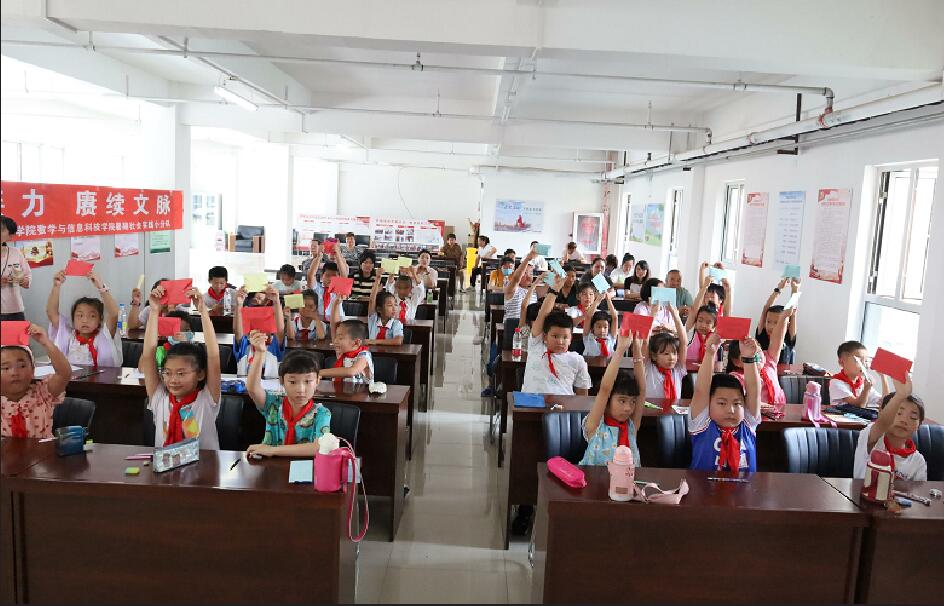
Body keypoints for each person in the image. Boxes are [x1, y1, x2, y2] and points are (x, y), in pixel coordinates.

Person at [140, 283, 222, 449]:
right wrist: (154, 310)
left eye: (181, 373)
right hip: (165, 465)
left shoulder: (206, 399)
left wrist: (203, 311)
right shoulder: (160, 398)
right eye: (168, 373)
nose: (173, 380)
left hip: (204, 465)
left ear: (200, 374)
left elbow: (213, 356)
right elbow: (148, 355)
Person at [244, 338, 331, 457]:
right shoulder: (273, 404)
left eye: (307, 381)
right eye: (292, 382)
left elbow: (319, 447)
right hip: (270, 465)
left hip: (304, 466)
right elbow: (252, 388)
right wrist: (259, 352)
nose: (301, 389)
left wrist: (273, 450)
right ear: (281, 380)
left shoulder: (322, 413)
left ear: (317, 381)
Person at [688, 333, 762, 473]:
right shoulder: (701, 423)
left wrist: (748, 358)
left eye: (737, 404)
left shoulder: (748, 424)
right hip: (704, 486)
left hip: (745, 487)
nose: (731, 410)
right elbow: (701, 390)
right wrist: (710, 353)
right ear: (709, 403)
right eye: (722, 403)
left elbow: (754, 390)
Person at [579, 335, 646, 465]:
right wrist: (620, 350)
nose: (628, 408)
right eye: (622, 401)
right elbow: (605, 390)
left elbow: (642, 391)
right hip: (596, 478)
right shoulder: (596, 426)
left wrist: (637, 348)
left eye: (632, 402)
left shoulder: (631, 425)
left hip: (628, 478)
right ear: (607, 402)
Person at [1, 323, 71, 438]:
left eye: (22, 366)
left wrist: (45, 342)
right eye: (5, 368)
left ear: (33, 370)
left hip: (43, 450)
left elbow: (64, 374)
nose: (14, 372)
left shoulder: (43, 393)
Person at [853, 374, 927, 481]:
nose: (904, 420)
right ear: (881, 412)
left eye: (913, 417)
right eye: (898, 413)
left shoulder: (918, 461)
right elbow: (883, 423)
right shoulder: (872, 439)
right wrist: (900, 396)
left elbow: (918, 490)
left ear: (919, 425)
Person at [46, 268, 123, 368]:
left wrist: (101, 287)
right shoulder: (69, 336)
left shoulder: (105, 335)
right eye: (80, 315)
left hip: (103, 378)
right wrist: (56, 286)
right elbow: (51, 313)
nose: (85, 320)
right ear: (73, 318)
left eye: (92, 316)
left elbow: (114, 314)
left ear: (100, 319)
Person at [521, 288, 591, 395]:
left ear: (571, 339)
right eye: (555, 336)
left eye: (565, 337)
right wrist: (554, 291)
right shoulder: (536, 346)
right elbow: (542, 315)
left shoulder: (577, 360)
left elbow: (582, 395)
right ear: (545, 336)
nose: (560, 341)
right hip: (532, 403)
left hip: (563, 404)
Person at [726, 308, 792, 419]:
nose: (756, 354)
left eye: (758, 349)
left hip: (779, 417)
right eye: (751, 353)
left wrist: (783, 318)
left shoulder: (769, 361)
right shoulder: (736, 377)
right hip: (755, 420)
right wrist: (759, 405)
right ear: (736, 361)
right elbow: (738, 400)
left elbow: (777, 339)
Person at [234, 284, 285, 379]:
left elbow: (280, 331)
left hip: (271, 386)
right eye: (254, 332)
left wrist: (276, 301)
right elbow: (237, 332)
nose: (259, 335)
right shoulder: (245, 346)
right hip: (246, 386)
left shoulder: (274, 346)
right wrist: (239, 305)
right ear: (249, 335)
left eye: (265, 332)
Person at [643, 305, 688, 401]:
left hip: (674, 409)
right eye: (666, 354)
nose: (671, 358)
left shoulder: (678, 369)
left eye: (674, 353)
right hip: (651, 410)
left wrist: (675, 315)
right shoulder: (648, 368)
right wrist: (652, 315)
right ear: (654, 356)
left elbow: (683, 342)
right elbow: (645, 341)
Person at [829, 341, 888, 408]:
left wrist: (884, 377)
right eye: (859, 360)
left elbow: (885, 402)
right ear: (842, 362)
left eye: (866, 361)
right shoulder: (836, 382)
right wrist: (866, 389)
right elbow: (859, 405)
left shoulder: (861, 383)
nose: (864, 365)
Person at [756, 278, 800, 364]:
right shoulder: (762, 334)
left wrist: (795, 290)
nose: (771, 326)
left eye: (776, 323)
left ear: (787, 325)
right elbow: (766, 308)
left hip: (782, 372)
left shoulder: (788, 337)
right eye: (768, 322)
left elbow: (793, 312)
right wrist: (778, 288)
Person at [319, 319, 374, 384]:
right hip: (343, 389)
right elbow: (333, 324)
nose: (335, 341)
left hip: (362, 390)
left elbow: (352, 371)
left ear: (356, 342)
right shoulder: (343, 352)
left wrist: (320, 372)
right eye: (336, 337)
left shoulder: (364, 355)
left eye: (340, 338)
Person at [1, 215, 31, 321]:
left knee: (19, 333)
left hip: (15, 310)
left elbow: (27, 278)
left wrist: (22, 280)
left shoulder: (16, 252)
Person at [308, 250, 349, 324]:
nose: (330, 279)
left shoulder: (339, 289)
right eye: (327, 275)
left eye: (334, 276)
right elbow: (310, 275)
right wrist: (319, 256)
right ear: (322, 276)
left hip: (338, 322)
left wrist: (338, 254)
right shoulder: (317, 288)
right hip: (319, 323)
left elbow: (344, 275)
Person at [366, 271, 405, 345]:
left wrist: (373, 341)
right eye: (390, 305)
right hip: (372, 352)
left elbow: (398, 341)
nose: (394, 308)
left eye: (395, 304)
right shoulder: (373, 320)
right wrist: (377, 280)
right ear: (379, 309)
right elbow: (371, 301)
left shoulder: (396, 323)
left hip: (390, 353)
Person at [581, 291, 618, 358]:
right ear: (592, 328)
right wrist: (597, 301)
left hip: (608, 364)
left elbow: (615, 318)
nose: (602, 330)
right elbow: (588, 317)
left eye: (605, 327)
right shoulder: (588, 337)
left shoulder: (611, 338)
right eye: (598, 327)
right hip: (590, 364)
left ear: (609, 327)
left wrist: (608, 300)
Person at [503, 250, 538, 321]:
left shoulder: (534, 290)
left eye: (531, 273)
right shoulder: (512, 288)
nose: (528, 277)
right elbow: (516, 278)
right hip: (514, 325)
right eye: (525, 273)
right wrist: (527, 259)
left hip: (529, 325)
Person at [684, 304, 720, 369]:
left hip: (710, 372)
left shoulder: (715, 337)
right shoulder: (690, 334)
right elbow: (693, 310)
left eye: (708, 322)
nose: (703, 325)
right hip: (690, 372)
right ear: (696, 321)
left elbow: (726, 317)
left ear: (714, 325)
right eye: (700, 321)